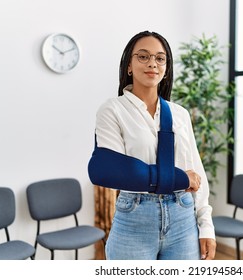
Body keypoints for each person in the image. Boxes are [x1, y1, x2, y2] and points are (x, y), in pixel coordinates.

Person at [89, 30, 216, 260]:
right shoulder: (112, 110)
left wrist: (206, 225)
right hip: (135, 219)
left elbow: (196, 171)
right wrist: (180, 178)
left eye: (160, 58)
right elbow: (107, 170)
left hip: (183, 217)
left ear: (166, 68)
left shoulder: (179, 114)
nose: (152, 64)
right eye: (143, 56)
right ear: (129, 65)